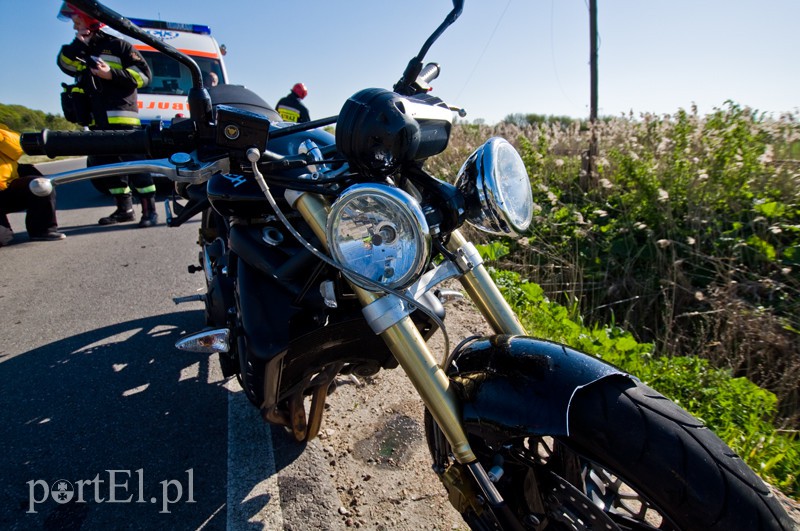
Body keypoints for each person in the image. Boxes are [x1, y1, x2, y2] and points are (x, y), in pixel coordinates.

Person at [56, 2, 158, 228]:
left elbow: (143, 76)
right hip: (95, 122)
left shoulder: (118, 46)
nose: (75, 24)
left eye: (77, 19)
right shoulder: (79, 49)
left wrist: (110, 74)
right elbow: (65, 65)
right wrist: (77, 45)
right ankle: (124, 209)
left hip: (123, 120)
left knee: (137, 168)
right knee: (107, 169)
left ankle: (150, 212)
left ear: (89, 19)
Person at [0, 124, 65, 246]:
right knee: (3, 237)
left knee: (39, 185)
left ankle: (42, 231)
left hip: (6, 186)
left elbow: (17, 149)